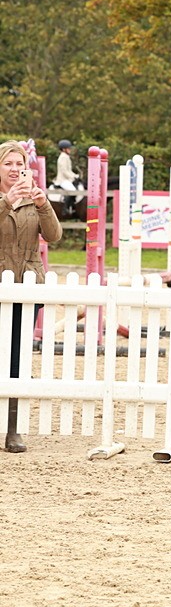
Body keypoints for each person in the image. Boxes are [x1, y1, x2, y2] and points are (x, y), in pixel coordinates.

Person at [0, 139, 63, 453]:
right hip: (0, 285)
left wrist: (44, 205)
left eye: (19, 164)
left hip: (27, 285)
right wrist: (6, 202)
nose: (14, 169)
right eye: (8, 163)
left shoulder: (34, 198)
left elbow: (54, 236)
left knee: (16, 359)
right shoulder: (4, 198)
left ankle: (13, 430)